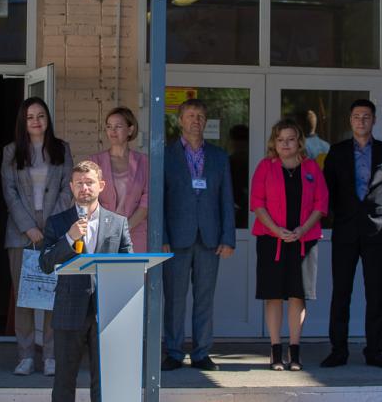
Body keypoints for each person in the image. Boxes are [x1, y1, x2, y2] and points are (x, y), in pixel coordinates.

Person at [321, 100, 382, 369]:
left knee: (375, 294)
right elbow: (326, 189)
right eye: (356, 116)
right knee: (341, 292)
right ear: (350, 120)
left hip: (375, 232)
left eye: (366, 116)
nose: (361, 121)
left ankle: (375, 351)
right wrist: (336, 216)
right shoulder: (336, 152)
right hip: (345, 230)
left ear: (374, 120)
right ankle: (338, 350)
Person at [39, 160, 132, 402]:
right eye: (79, 183)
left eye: (89, 182)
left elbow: (129, 265)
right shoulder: (57, 222)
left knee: (104, 382)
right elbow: (45, 264)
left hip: (107, 311)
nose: (84, 188)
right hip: (69, 310)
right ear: (71, 186)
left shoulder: (118, 222)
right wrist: (69, 238)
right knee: (64, 381)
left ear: (101, 185)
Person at [162, 99, 235, 372]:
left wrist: (228, 238)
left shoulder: (219, 156)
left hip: (210, 238)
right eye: (191, 115)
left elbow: (226, 199)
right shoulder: (165, 155)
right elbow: (159, 200)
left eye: (201, 116)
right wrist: (162, 237)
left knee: (205, 298)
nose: (196, 120)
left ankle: (202, 352)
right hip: (175, 239)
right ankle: (174, 352)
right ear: (180, 120)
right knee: (174, 299)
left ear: (206, 122)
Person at [2, 97, 73, 376]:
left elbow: (68, 189)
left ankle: (51, 356)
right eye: (30, 117)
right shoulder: (11, 151)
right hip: (21, 233)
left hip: (55, 230)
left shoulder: (62, 149)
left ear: (47, 119)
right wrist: (29, 227)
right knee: (25, 296)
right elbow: (9, 192)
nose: (36, 121)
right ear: (23, 121)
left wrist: (51, 227)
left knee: (53, 294)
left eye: (40, 115)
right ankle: (26, 356)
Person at [250, 119, 328, 371]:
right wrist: (277, 230)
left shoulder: (311, 167)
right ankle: (275, 352)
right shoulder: (265, 167)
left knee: (298, 295)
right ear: (274, 142)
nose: (285, 144)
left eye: (290, 139)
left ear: (299, 141)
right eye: (280, 139)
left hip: (304, 240)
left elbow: (321, 203)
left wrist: (302, 230)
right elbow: (257, 203)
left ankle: (295, 352)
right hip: (271, 241)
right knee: (273, 295)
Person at [89, 106, 149, 252]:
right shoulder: (95, 161)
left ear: (130, 130)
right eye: (109, 126)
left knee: (134, 268)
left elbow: (147, 201)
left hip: (135, 235)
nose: (112, 131)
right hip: (102, 234)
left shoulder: (144, 162)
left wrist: (124, 228)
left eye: (118, 126)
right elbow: (89, 199)